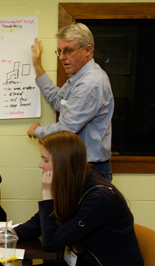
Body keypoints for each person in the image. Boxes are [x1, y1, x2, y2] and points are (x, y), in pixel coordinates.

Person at [0, 131, 143, 265]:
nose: (40, 165)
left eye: (45, 160)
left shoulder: (99, 197)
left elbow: (51, 242)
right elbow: (38, 223)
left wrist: (47, 194)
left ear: (63, 163)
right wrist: (0, 236)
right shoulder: (73, 179)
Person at [27, 23, 114, 181]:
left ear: (87, 50)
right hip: (80, 166)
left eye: (68, 50)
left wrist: (37, 131)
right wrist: (38, 66)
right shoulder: (78, 79)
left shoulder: (90, 83)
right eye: (60, 51)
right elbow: (56, 101)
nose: (61, 57)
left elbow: (67, 129)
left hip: (90, 169)